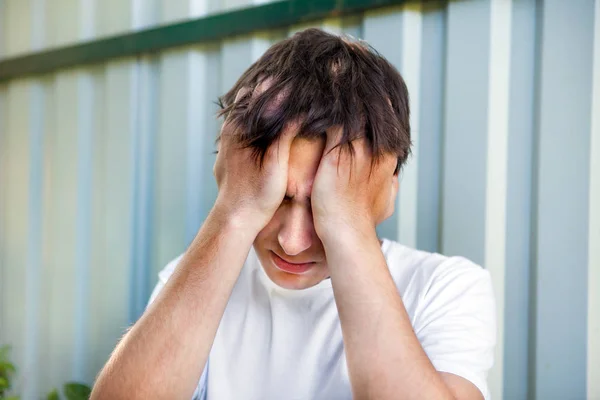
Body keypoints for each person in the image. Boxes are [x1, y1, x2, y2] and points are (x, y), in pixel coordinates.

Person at [91, 28, 496, 400]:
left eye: (325, 208)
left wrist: (348, 228)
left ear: (387, 192)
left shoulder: (443, 288)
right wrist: (233, 211)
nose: (292, 241)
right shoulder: (196, 279)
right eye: (277, 199)